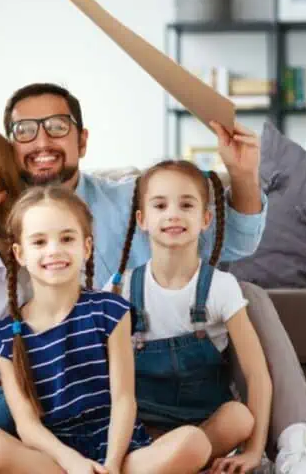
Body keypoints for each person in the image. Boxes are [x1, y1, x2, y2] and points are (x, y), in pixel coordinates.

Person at [0, 83, 306, 473]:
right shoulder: (1, 214)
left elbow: (234, 240)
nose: (41, 140)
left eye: (56, 126)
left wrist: (242, 173)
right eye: (25, 130)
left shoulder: (133, 198)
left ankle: (295, 442)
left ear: (82, 140)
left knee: (248, 296)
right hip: (65, 377)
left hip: (148, 356)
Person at [0, 185, 208, 474]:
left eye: (67, 238)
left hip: (120, 451)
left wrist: (111, 464)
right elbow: (27, 426)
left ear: (86, 247)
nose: (54, 250)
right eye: (40, 242)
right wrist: (72, 463)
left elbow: (123, 400)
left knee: (195, 442)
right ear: (20, 254)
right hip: (56, 460)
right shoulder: (7, 336)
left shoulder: (110, 310)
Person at [108, 159, 273, 472]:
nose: (173, 214)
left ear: (205, 219)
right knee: (189, 445)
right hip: (141, 426)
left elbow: (257, 374)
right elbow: (108, 374)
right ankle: (167, 463)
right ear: (142, 219)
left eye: (186, 205)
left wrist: (253, 451)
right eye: (160, 205)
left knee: (240, 418)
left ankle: (164, 464)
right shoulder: (123, 287)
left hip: (205, 423)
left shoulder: (221, 287)